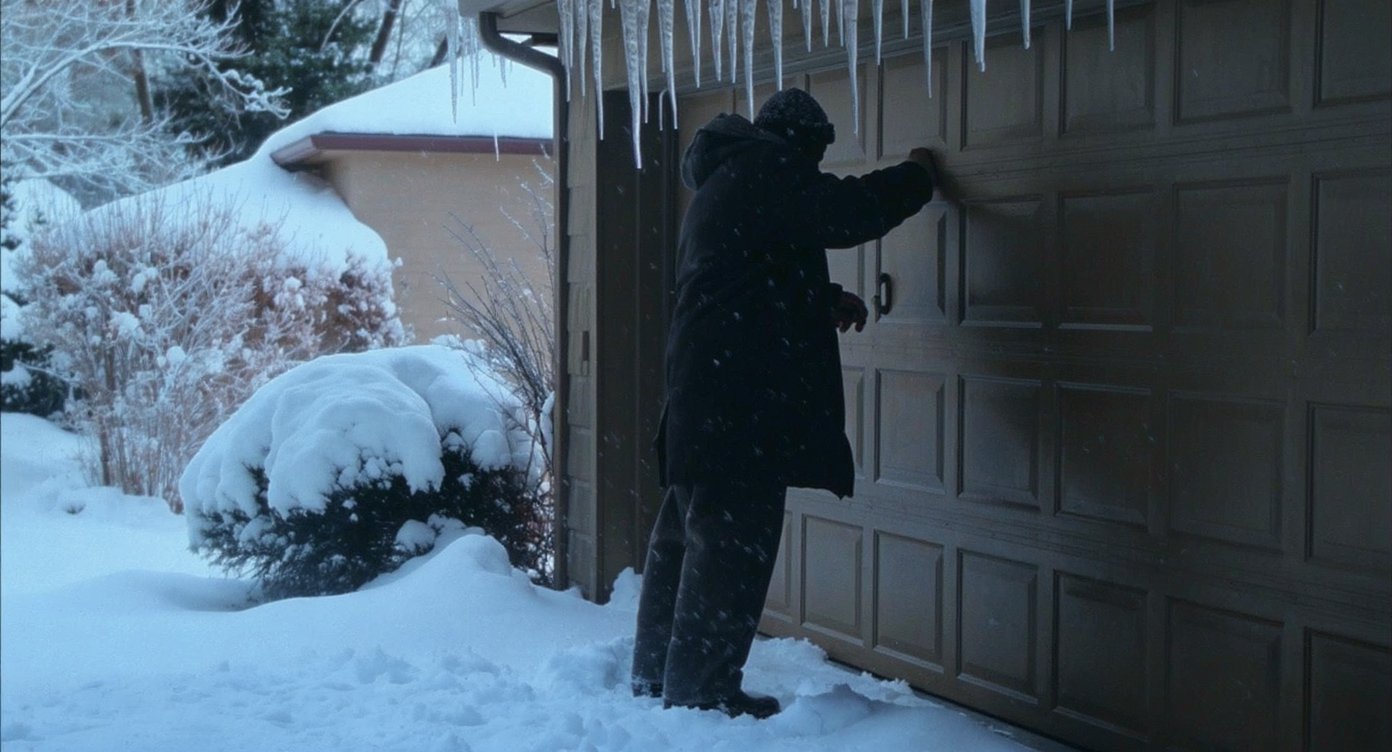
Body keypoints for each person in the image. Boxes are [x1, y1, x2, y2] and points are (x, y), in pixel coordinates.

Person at [631, 88, 941, 719]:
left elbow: (750, 273)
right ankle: (698, 693)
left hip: (706, 395)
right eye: (817, 155)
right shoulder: (771, 167)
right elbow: (849, 213)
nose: (816, 169)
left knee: (684, 540)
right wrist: (918, 176)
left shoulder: (729, 175)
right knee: (729, 549)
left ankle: (657, 675)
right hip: (738, 406)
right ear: (802, 141)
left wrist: (818, 301)